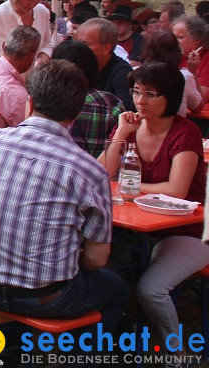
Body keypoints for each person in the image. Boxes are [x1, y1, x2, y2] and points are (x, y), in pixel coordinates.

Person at [0, 60, 126, 341]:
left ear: (29, 102)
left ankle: (8, 349)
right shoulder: (89, 170)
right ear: (76, 113)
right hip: (46, 297)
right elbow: (96, 259)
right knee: (117, 289)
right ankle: (81, 357)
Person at [101, 62, 207, 353]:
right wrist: (122, 133)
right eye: (136, 92)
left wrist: (128, 189)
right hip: (135, 228)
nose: (140, 101)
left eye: (150, 94)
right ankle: (117, 336)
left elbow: (176, 190)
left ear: (170, 97)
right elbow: (102, 174)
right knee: (99, 269)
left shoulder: (185, 132)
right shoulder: (132, 124)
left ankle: (178, 352)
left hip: (185, 231)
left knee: (151, 289)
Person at [52, 40, 122, 157]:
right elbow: (120, 147)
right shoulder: (109, 103)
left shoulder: (45, 100)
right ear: (93, 67)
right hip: (99, 170)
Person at [79, 17, 134, 111]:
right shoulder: (76, 66)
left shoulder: (122, 72)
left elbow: (126, 110)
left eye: (85, 44)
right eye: (76, 43)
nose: (78, 48)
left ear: (106, 48)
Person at [172, 14, 209, 103]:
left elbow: (200, 99)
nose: (173, 41)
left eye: (180, 37)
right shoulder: (174, 55)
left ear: (198, 39)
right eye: (173, 37)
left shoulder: (206, 57)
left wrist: (192, 73)